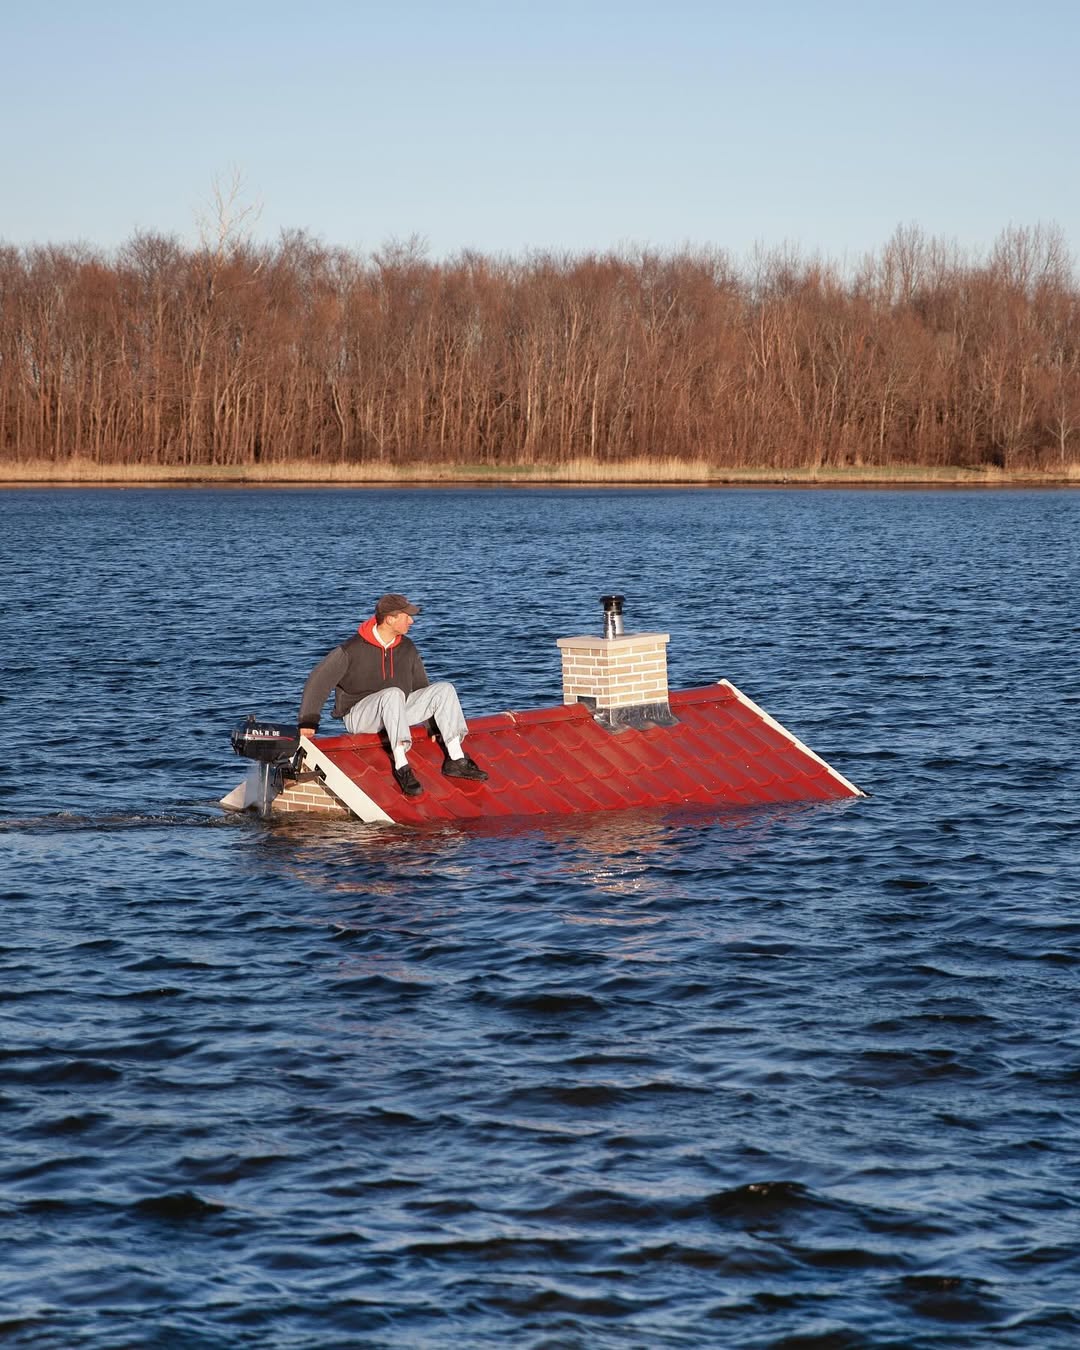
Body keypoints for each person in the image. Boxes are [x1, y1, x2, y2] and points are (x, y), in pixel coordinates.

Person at [297, 593, 488, 798]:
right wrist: (308, 721)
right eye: (407, 616)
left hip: (396, 709)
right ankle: (401, 765)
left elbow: (421, 688)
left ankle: (456, 759)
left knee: (444, 689)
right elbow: (318, 681)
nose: (412, 621)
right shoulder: (351, 649)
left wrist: (433, 726)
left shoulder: (407, 648)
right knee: (393, 694)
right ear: (390, 619)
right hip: (359, 716)